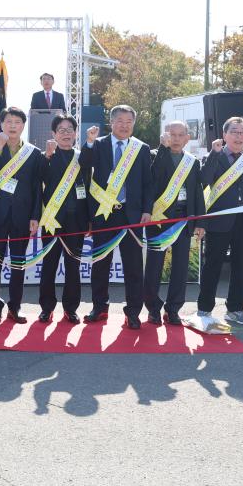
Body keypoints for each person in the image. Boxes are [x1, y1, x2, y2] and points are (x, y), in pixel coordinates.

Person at [79, 105, 153, 329]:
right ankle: (99, 307)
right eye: (120, 120)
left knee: (133, 267)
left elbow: (147, 183)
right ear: (111, 123)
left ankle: (133, 312)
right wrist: (89, 142)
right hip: (104, 214)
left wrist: (147, 210)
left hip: (131, 215)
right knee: (100, 263)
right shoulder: (98, 144)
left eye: (129, 121)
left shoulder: (141, 148)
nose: (124, 125)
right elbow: (84, 165)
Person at [197, 116, 243, 325]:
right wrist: (214, 154)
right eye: (234, 132)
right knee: (212, 265)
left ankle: (235, 309)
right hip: (218, 220)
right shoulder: (214, 156)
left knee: (240, 267)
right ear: (224, 135)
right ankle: (204, 310)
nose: (239, 136)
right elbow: (203, 180)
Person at [0, 107, 42, 323]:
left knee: (18, 263)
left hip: (22, 217)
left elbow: (37, 187)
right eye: (9, 121)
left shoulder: (34, 153)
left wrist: (35, 215)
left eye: (17, 122)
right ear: (2, 125)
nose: (13, 125)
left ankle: (15, 307)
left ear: (23, 125)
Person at [142, 121, 205, 326]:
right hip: (159, 218)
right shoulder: (154, 155)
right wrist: (162, 149)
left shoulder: (192, 161)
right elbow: (153, 179)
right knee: (154, 267)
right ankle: (153, 308)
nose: (176, 139)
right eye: (172, 134)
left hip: (183, 219)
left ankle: (173, 308)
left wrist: (199, 221)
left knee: (180, 267)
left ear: (187, 138)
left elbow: (197, 192)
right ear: (165, 136)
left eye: (180, 135)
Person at [36, 114, 90, 323]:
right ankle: (46, 307)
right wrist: (48, 158)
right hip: (52, 220)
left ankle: (71, 308)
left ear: (76, 133)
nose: (66, 134)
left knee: (73, 268)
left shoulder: (82, 158)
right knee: (49, 266)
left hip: (76, 221)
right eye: (61, 130)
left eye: (70, 130)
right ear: (53, 134)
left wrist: (88, 220)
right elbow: (38, 181)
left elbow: (88, 187)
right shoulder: (46, 156)